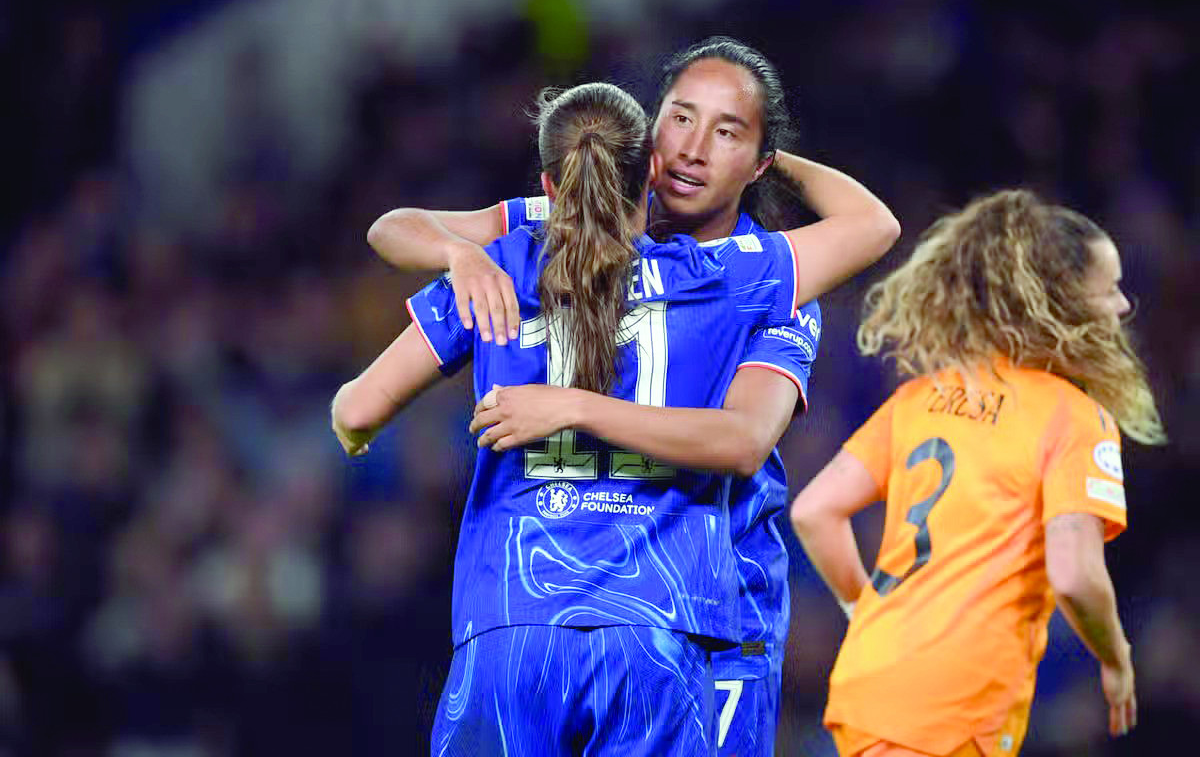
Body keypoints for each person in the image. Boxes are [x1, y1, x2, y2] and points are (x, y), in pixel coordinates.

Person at [366, 37, 898, 756]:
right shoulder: (560, 222)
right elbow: (403, 227)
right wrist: (456, 253)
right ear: (647, 132)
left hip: (723, 615)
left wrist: (573, 409)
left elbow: (742, 441)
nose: (694, 149)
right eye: (680, 119)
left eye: (727, 132)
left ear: (759, 161)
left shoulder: (775, 287)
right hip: (615, 621)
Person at [788, 189, 1165, 757]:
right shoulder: (1073, 418)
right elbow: (1075, 574)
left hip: (871, 687)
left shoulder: (924, 396)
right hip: (954, 710)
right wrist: (1117, 658)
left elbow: (814, 512)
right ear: (1062, 303)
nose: (1122, 306)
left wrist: (865, 610)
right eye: (1108, 288)